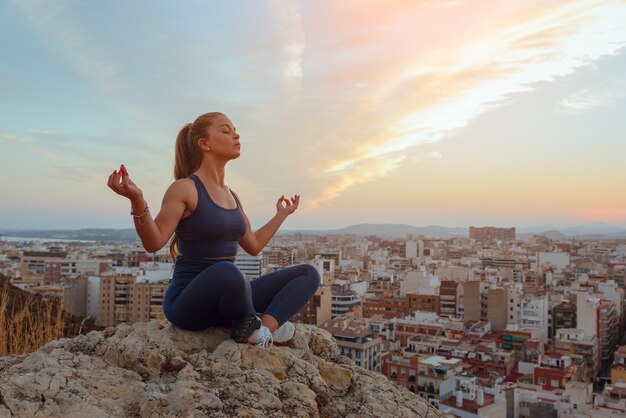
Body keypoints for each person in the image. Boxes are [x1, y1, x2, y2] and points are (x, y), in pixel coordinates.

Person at [107, 112, 320, 346]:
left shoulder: (233, 196)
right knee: (228, 272)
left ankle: (261, 330)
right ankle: (250, 323)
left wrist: (281, 215)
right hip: (187, 304)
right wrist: (137, 200)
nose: (236, 135)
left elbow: (254, 245)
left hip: (229, 296)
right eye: (226, 131)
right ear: (204, 144)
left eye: (235, 130)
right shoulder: (185, 188)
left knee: (308, 273)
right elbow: (153, 242)